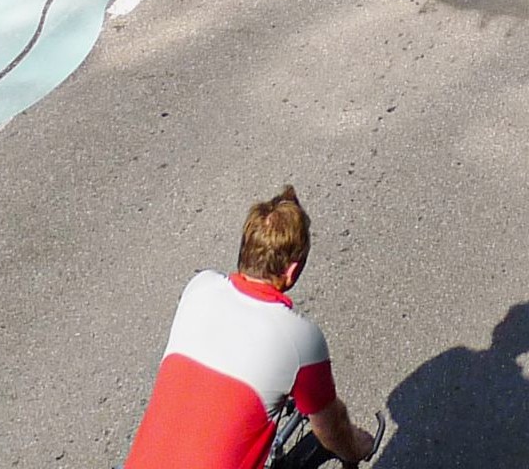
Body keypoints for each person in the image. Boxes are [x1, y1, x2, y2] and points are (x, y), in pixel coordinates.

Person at [126, 187, 375, 469]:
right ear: (292, 271)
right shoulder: (300, 338)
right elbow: (333, 429)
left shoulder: (200, 286)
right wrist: (356, 447)